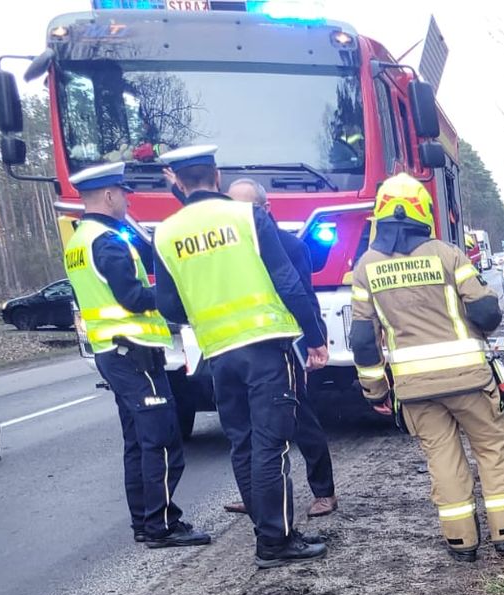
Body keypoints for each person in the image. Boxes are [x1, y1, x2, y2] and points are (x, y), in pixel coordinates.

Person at [349, 174, 504, 561]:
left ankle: (461, 542)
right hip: (468, 380)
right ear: (424, 209)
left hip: (415, 389)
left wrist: (376, 391)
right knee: (493, 449)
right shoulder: (447, 254)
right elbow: (487, 313)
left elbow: (362, 340)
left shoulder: (365, 268)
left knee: (442, 457)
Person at [153, 145, 329, 569]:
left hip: (217, 355)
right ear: (215, 175)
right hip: (266, 346)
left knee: (243, 444)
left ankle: (265, 530)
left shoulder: (165, 233)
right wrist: (315, 336)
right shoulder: (247, 216)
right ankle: (276, 540)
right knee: (273, 444)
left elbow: (170, 307)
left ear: (177, 181)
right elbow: (287, 281)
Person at [64, 161, 209, 548]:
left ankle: (144, 523)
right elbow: (132, 297)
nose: (127, 200)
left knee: (138, 442)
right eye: (124, 194)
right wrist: (173, 296)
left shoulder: (81, 240)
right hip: (134, 353)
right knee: (162, 440)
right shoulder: (107, 242)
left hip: (113, 352)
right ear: (109, 195)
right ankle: (162, 526)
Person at [224, 177, 337, 518]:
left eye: (248, 208)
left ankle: (324, 492)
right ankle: (257, 494)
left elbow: (303, 296)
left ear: (266, 209)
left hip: (287, 346)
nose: (240, 215)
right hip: (245, 347)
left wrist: (314, 340)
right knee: (250, 427)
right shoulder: (228, 249)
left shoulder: (290, 246)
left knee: (301, 419)